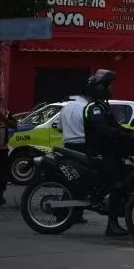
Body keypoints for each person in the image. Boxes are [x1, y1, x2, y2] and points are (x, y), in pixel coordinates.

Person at [82, 70, 134, 237]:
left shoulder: (103, 106)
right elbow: (105, 131)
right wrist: (124, 135)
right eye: (107, 85)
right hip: (99, 153)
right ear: (98, 88)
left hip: (109, 151)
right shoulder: (93, 108)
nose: (110, 88)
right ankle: (111, 225)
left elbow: (116, 127)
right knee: (117, 184)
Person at [58, 95, 89, 224]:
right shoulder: (86, 108)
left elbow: (59, 127)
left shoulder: (65, 108)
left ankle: (68, 213)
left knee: (70, 178)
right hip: (82, 146)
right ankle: (72, 213)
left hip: (67, 146)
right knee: (82, 180)